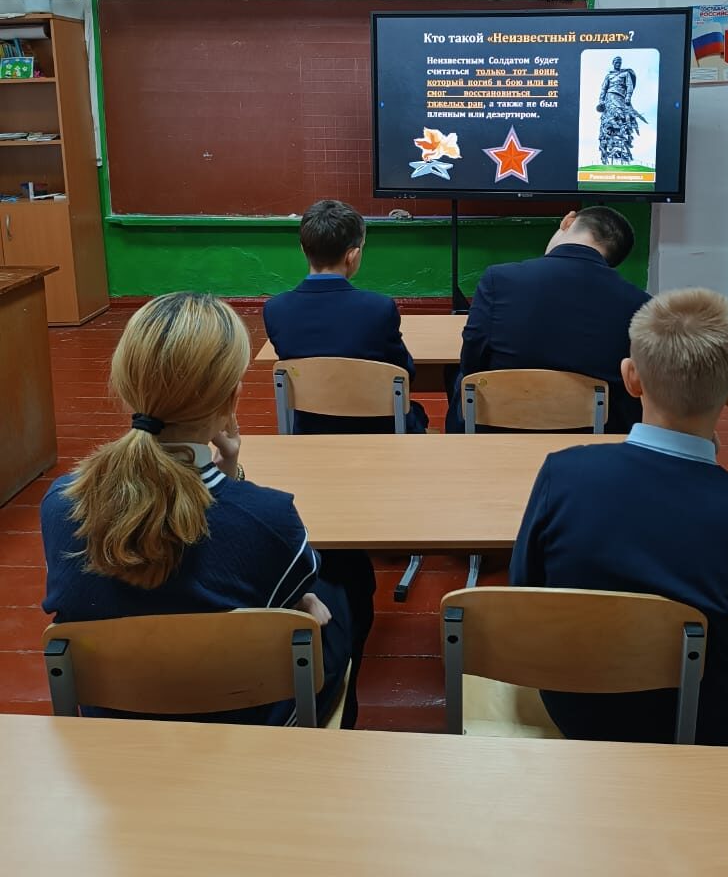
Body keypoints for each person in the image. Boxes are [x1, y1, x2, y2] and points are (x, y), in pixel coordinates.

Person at [41, 292, 368, 727]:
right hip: (247, 724)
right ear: (231, 401)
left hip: (117, 723)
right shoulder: (269, 518)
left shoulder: (60, 504)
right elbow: (250, 556)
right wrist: (301, 602)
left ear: (127, 385)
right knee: (343, 584)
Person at [509, 287, 728, 746]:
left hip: (575, 710)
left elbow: (524, 591)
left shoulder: (564, 473)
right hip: (705, 728)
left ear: (631, 377)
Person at [446, 205, 649, 433]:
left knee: (458, 377)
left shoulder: (499, 279)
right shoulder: (639, 303)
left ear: (568, 221)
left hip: (499, 427)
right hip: (592, 434)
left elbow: (472, 361)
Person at [264, 198, 428, 435]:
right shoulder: (379, 308)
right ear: (352, 256)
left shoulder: (276, 310)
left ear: (303, 249)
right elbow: (404, 375)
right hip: (379, 431)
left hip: (310, 431)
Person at [597, 55, 646, 166]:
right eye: (616, 62)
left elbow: (629, 86)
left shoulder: (625, 74)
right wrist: (601, 101)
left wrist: (628, 97)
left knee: (621, 119)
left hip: (620, 98)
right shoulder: (609, 76)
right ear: (613, 63)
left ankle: (624, 147)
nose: (618, 64)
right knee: (608, 120)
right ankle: (607, 149)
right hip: (609, 98)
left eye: (619, 62)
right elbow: (604, 89)